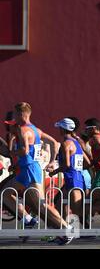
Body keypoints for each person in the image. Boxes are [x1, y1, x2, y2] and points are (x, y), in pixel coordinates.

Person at [1, 102, 73, 245]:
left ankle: (67, 229)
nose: (14, 117)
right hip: (25, 169)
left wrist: (12, 153)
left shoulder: (22, 130)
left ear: (22, 114)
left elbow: (25, 151)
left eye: (15, 114)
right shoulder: (36, 130)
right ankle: (28, 220)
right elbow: (53, 142)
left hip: (30, 169)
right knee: (5, 193)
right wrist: (51, 161)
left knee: (41, 205)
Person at [49, 118, 91, 228]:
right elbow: (87, 162)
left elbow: (67, 165)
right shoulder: (77, 143)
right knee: (59, 202)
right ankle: (64, 229)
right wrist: (77, 168)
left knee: (76, 209)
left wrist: (54, 172)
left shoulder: (65, 144)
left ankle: (79, 231)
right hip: (77, 178)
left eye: (60, 128)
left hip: (72, 179)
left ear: (63, 129)